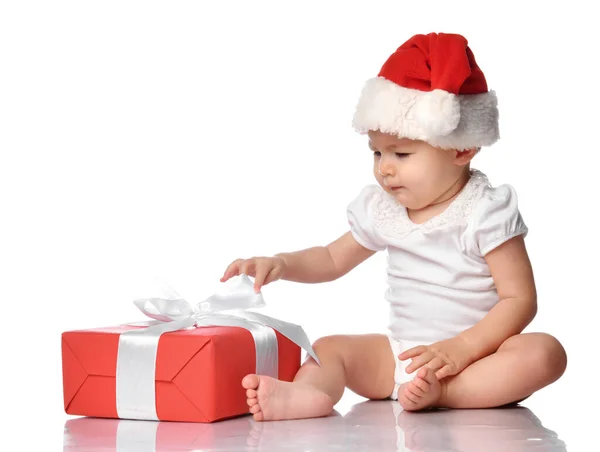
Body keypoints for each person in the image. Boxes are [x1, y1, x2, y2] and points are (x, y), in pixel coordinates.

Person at [221, 32, 567, 421]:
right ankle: (308, 394)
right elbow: (332, 258)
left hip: (476, 361)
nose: (384, 167)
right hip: (399, 355)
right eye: (377, 152)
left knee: (544, 352)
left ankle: (449, 393)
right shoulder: (384, 209)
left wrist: (462, 348)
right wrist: (282, 263)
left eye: (401, 154)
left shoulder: (484, 211)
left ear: (462, 149)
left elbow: (519, 300)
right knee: (330, 347)